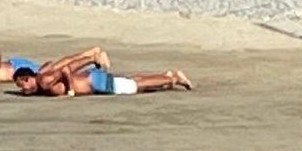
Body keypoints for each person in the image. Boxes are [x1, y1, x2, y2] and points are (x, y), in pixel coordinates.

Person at [13, 49, 190, 96]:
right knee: (133, 81)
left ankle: (173, 78)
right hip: (92, 79)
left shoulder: (44, 81)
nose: (23, 89)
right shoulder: (44, 78)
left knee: (132, 86)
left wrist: (70, 91)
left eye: (22, 85)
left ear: (27, 78)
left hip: (93, 82)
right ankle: (167, 77)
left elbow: (65, 70)